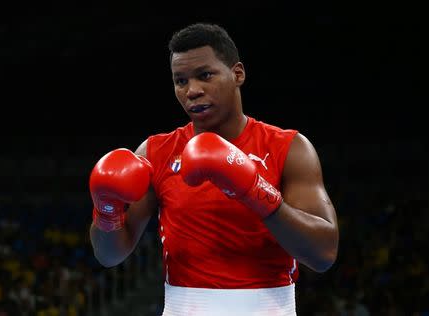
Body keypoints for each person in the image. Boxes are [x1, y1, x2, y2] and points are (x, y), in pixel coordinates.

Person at [89, 22, 339, 315]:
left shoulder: (289, 147)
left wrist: (253, 190)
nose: (192, 91)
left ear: (238, 74)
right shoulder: (156, 153)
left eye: (205, 75)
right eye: (180, 81)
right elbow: (109, 256)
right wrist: (106, 209)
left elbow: (324, 254)